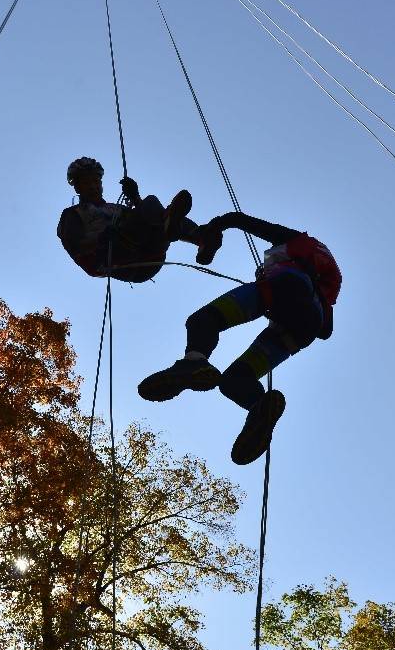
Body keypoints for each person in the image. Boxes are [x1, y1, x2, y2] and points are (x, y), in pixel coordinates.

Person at [138, 211, 341, 464]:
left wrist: (217, 225)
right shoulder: (330, 276)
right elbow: (325, 331)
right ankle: (259, 408)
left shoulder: (297, 241)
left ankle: (194, 361)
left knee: (203, 321)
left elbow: (244, 220)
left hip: (285, 287)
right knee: (234, 381)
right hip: (306, 327)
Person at [57, 157, 222, 283]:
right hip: (115, 258)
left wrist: (135, 197)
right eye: (86, 183)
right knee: (152, 205)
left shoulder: (115, 208)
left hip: (149, 256)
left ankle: (200, 239)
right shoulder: (73, 214)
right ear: (77, 187)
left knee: (155, 210)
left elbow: (145, 217)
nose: (93, 186)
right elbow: (74, 245)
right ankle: (175, 228)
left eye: (96, 181)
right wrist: (100, 240)